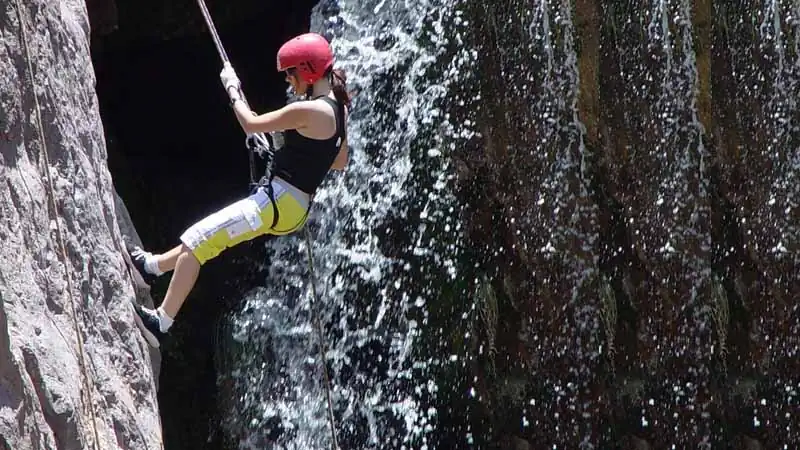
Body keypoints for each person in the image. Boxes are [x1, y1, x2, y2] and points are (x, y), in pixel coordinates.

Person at [129, 32, 350, 348]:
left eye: (292, 72)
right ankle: (151, 267)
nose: (289, 80)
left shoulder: (309, 111)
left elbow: (250, 122)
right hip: (292, 208)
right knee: (212, 239)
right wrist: (297, 154)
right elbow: (339, 160)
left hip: (276, 202)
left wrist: (231, 87)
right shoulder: (339, 109)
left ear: (309, 69)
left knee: (198, 240)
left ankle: (161, 322)